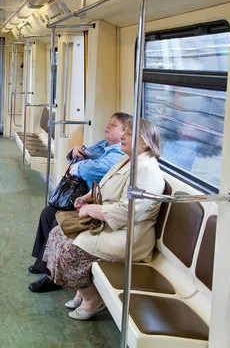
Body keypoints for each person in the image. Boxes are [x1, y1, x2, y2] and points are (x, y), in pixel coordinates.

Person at [33, 118, 164, 321]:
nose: (123, 136)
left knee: (68, 251)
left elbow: (126, 212)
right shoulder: (127, 159)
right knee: (58, 233)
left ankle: (91, 298)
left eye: (128, 134)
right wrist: (86, 198)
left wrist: (92, 209)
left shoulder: (146, 169)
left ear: (145, 142)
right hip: (109, 225)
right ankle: (81, 289)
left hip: (128, 236)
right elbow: (105, 186)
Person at [28, 112, 131, 286]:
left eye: (114, 124)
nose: (108, 125)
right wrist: (74, 152)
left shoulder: (117, 154)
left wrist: (78, 163)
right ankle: (43, 261)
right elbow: (81, 153)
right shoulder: (103, 145)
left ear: (124, 134)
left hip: (92, 199)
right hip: (81, 193)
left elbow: (92, 170)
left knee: (57, 220)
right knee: (47, 213)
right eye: (109, 121)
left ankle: (52, 276)